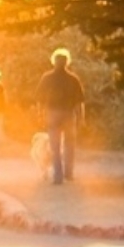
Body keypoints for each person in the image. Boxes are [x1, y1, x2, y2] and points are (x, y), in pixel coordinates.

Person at [37, 50, 87, 186]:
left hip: (52, 113)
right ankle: (69, 173)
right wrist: (81, 118)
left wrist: (40, 114)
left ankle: (57, 176)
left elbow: (40, 99)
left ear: (53, 61)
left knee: (55, 146)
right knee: (70, 144)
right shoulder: (73, 79)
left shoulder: (46, 78)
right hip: (68, 114)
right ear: (67, 62)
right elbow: (79, 101)